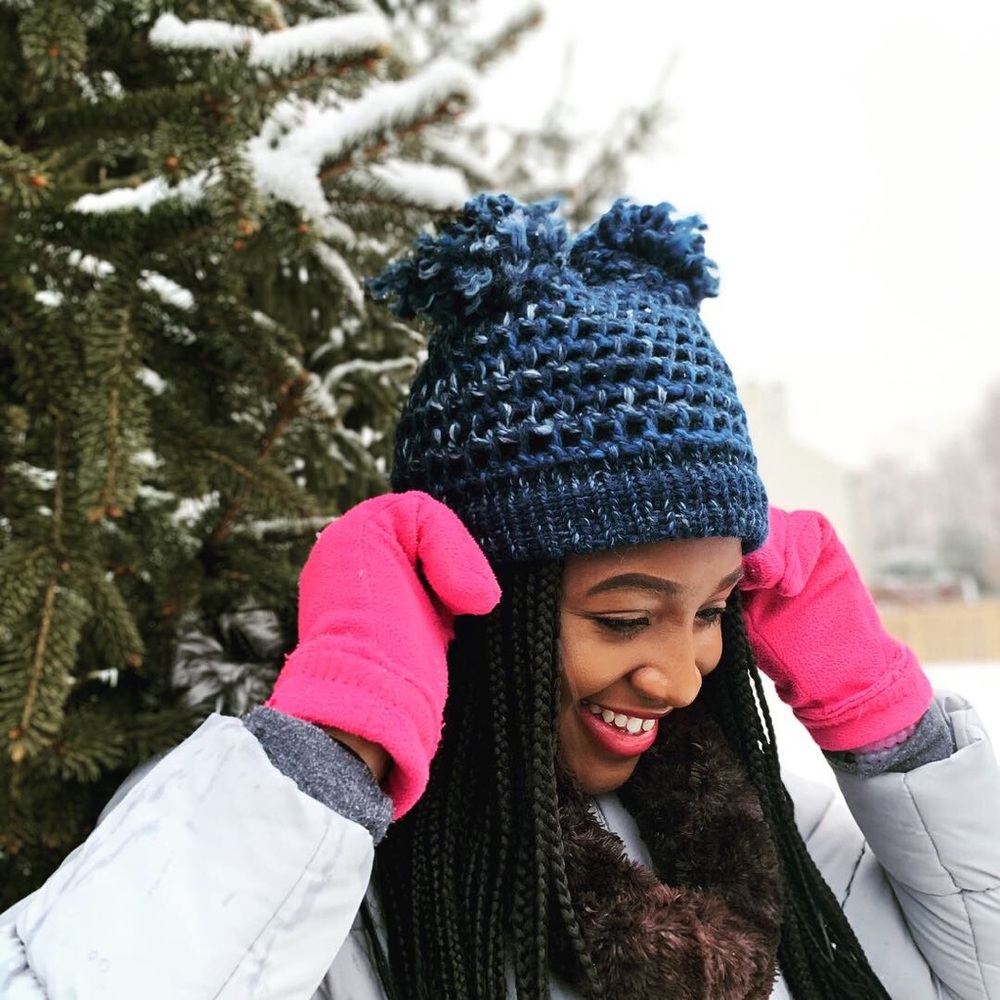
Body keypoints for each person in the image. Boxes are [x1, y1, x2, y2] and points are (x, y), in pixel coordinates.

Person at [2, 194, 998, 1000]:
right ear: (475, 600)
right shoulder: (308, 885)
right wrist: (326, 758)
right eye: (622, 616)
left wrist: (895, 732)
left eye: (709, 610)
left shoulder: (770, 838)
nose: (679, 673)